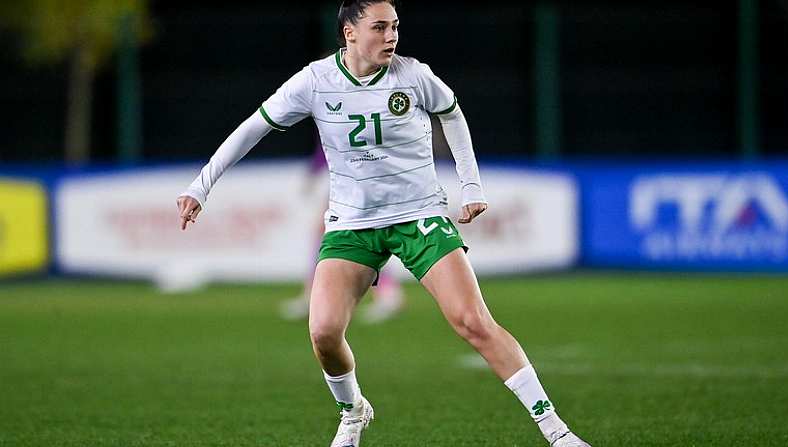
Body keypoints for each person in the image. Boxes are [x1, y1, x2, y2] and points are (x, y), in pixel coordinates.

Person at [176, 1, 591, 446]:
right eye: (379, 27)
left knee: (472, 321)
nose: (391, 36)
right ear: (349, 33)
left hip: (419, 216)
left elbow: (451, 113)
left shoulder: (413, 75)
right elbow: (251, 128)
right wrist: (201, 187)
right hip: (353, 223)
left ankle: (557, 433)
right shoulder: (315, 81)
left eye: (395, 26)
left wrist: (471, 186)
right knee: (323, 331)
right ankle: (353, 411)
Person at [281, 140, 404, 323]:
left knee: (364, 233)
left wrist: (314, 172)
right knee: (328, 231)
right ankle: (387, 293)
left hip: (356, 174)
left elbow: (336, 138)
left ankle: (387, 293)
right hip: (349, 173)